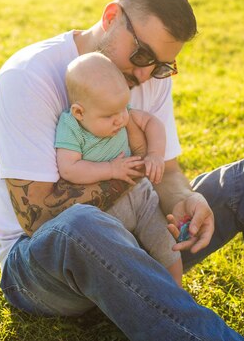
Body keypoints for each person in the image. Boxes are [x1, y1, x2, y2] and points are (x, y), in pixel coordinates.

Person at [0, 0, 244, 341]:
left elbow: (167, 171)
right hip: (44, 269)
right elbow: (40, 218)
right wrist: (129, 171)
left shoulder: (149, 76)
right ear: (111, 18)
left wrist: (185, 198)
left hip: (139, 233)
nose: (145, 74)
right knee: (82, 224)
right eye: (141, 55)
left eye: (161, 66)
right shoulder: (28, 78)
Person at [55, 51, 183, 287]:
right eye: (110, 115)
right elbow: (69, 168)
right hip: (106, 210)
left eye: (124, 108)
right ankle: (147, 295)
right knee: (126, 256)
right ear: (79, 112)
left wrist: (155, 153)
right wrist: (111, 169)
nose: (121, 119)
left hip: (141, 196)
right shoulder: (70, 127)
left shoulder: (119, 109)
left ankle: (178, 290)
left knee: (166, 242)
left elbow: (152, 122)